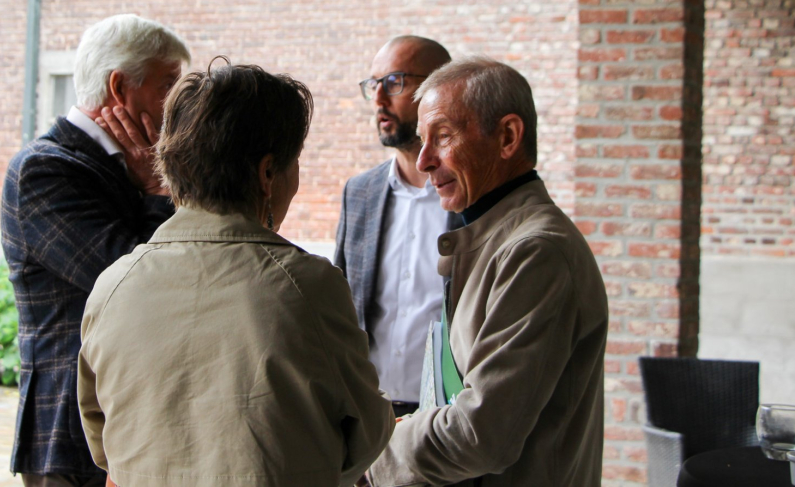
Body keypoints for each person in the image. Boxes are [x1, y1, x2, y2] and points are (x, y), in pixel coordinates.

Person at [78, 60, 394, 487]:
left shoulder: (112, 287)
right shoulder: (307, 286)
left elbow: (103, 441)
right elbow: (366, 436)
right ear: (267, 174)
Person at [366, 56, 608, 487]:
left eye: (442, 137)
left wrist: (377, 459)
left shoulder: (536, 252)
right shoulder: (493, 236)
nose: (423, 162)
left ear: (508, 137)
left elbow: (481, 434)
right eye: (422, 140)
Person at [2, 14, 190, 487]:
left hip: (140, 422)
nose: (180, 105)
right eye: (170, 84)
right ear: (120, 86)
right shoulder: (44, 171)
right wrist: (155, 189)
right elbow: (137, 285)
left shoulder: (133, 161)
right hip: (70, 434)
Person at [334, 35, 454, 418]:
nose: (379, 100)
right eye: (373, 85)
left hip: (447, 419)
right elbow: (342, 308)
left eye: (395, 82)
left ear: (439, 91)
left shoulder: (470, 198)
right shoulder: (360, 193)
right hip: (367, 413)